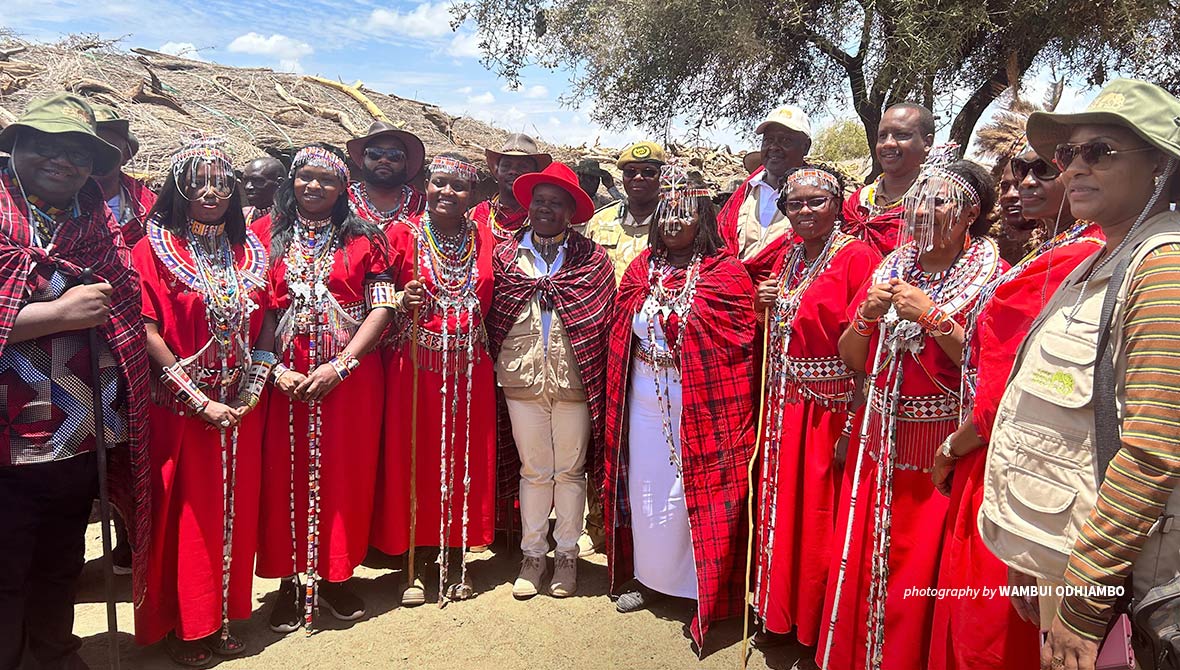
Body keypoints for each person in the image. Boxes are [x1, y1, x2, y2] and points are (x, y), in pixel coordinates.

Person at [979, 79, 1180, 670]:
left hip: (1122, 587)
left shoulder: (1163, 269)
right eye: (1070, 154)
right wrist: (1031, 555)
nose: (1073, 169)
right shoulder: (1102, 258)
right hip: (1067, 558)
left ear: (1161, 168)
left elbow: (1153, 453)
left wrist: (1084, 602)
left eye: (1101, 151)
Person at [927, 121, 1103, 670]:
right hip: (997, 455)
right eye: (1015, 173)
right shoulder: (1056, 251)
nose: (1020, 185)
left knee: (995, 627)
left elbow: (1014, 387)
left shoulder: (1081, 260)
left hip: (1017, 465)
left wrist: (955, 445)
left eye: (1040, 170)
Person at [818, 158, 1004, 670]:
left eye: (940, 200)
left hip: (941, 456)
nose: (924, 209)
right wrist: (866, 316)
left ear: (971, 213)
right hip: (880, 447)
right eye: (919, 198)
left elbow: (989, 368)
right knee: (869, 559)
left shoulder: (993, 276)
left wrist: (933, 316)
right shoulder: (892, 266)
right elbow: (852, 356)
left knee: (922, 570)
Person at [0, 93, 150, 670]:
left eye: (79, 155)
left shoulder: (95, 219)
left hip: (80, 427)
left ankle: (56, 652)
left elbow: (124, 295)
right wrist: (57, 314)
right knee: (5, 562)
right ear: (15, 145)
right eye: (45, 146)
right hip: (7, 436)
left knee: (62, 551)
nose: (63, 162)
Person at [602, 169, 757, 654]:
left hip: (704, 401)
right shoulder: (641, 267)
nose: (674, 221)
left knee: (699, 487)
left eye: (685, 212)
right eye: (667, 213)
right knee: (647, 488)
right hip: (645, 398)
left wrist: (686, 335)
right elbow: (622, 323)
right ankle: (649, 578)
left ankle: (699, 592)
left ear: (704, 219)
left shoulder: (725, 272)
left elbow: (738, 339)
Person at [131, 138, 270, 666]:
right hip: (181, 413)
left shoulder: (249, 250)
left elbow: (269, 318)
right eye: (198, 179)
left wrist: (254, 387)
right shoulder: (153, 248)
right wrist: (196, 400)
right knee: (185, 518)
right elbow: (146, 328)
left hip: (240, 408)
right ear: (179, 187)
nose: (211, 190)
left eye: (221, 181)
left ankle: (221, 616)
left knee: (232, 515)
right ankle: (185, 624)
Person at [252, 143, 395, 634]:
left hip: (350, 379)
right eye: (304, 177)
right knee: (282, 476)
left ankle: (336, 574)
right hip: (284, 379)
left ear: (342, 189)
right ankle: (290, 581)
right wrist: (272, 369)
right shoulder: (262, 235)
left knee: (345, 474)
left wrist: (343, 365)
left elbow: (382, 307)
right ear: (292, 182)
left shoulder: (366, 239)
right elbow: (264, 311)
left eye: (326, 180)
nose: (313, 187)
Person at [750, 165, 881, 652]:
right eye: (795, 204)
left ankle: (815, 626)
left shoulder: (858, 258)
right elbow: (780, 327)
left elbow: (871, 349)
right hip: (786, 404)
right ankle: (778, 609)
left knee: (819, 518)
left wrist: (853, 425)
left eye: (816, 202)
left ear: (837, 204)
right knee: (782, 509)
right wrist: (764, 304)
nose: (804, 212)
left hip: (831, 411)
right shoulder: (787, 256)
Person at [371, 154, 497, 606]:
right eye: (440, 183)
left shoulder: (482, 238)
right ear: (426, 184)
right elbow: (374, 290)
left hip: (468, 366)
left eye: (459, 187)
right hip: (414, 364)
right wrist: (400, 298)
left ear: (474, 196)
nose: (448, 193)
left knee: (463, 457)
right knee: (417, 459)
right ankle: (417, 560)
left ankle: (457, 552)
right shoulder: (401, 233)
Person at [486, 162, 615, 599]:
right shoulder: (503, 256)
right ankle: (532, 554)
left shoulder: (592, 259)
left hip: (574, 378)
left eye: (555, 203)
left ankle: (566, 556)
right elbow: (492, 313)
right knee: (535, 469)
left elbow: (599, 319)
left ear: (570, 211)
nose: (545, 209)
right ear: (529, 205)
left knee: (570, 470)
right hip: (521, 376)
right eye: (539, 201)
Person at [718, 106, 812, 278]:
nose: (774, 147)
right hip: (731, 291)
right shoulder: (743, 194)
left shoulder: (816, 201)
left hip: (787, 296)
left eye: (785, 141)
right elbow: (718, 244)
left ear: (805, 147)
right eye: (768, 140)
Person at [842, 103, 935, 256]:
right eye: (882, 136)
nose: (888, 143)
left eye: (901, 135)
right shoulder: (859, 200)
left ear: (927, 143)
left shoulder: (936, 201)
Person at [577, 141, 667, 285]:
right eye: (630, 172)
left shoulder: (673, 224)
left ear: (662, 176)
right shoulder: (599, 221)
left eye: (648, 172)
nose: (638, 177)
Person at [92, 103, 157, 247]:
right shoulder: (58, 201)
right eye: (88, 148)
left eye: (108, 148)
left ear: (125, 155)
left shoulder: (148, 206)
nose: (96, 156)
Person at [470, 134, 551, 244]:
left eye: (523, 166)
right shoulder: (477, 214)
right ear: (496, 171)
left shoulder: (545, 218)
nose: (513, 171)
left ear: (535, 174)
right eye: (506, 165)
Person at [346, 121, 427, 229]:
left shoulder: (421, 205)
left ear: (406, 163)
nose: (383, 160)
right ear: (362, 160)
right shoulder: (343, 199)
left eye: (394, 155)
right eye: (374, 154)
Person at [241, 156, 285, 225]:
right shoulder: (242, 217)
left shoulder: (289, 220)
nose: (248, 187)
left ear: (279, 183)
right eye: (245, 181)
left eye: (257, 181)